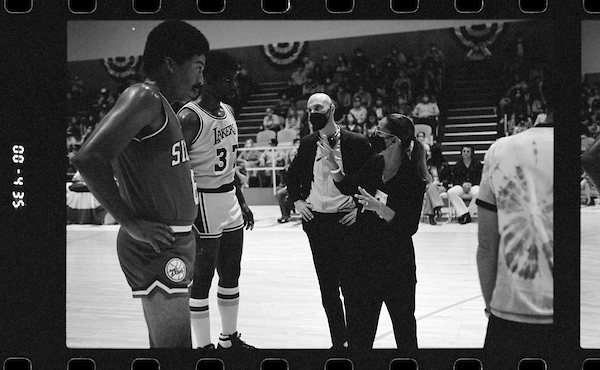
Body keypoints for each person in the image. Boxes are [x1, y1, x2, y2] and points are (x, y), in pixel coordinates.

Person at [71, 20, 209, 348]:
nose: (201, 80)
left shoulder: (164, 107)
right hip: (157, 247)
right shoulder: (144, 96)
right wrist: (130, 222)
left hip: (173, 242)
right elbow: (87, 158)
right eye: (198, 67)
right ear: (170, 63)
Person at [177, 51, 255, 350]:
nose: (234, 86)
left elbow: (231, 164)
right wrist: (187, 211)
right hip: (204, 202)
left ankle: (229, 339)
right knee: (202, 279)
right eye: (228, 80)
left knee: (231, 272)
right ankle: (203, 347)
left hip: (230, 200)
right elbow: (176, 170)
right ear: (208, 79)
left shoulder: (229, 110)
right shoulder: (189, 117)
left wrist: (243, 200)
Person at [476, 81, 554, 370]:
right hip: (577, 319)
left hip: (511, 311)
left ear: (539, 102)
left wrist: (491, 305)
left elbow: (486, 245)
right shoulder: (585, 151)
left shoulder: (501, 149)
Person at [286, 92, 372, 349]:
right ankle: (338, 341)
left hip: (346, 222)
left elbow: (370, 181)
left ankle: (356, 342)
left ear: (332, 109)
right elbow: (292, 176)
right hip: (317, 223)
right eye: (310, 108)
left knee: (351, 287)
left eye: (319, 107)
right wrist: (298, 201)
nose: (314, 111)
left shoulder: (356, 142)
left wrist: (360, 208)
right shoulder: (307, 143)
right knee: (328, 289)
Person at [347, 113, 429, 351]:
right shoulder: (375, 165)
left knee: (404, 333)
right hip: (366, 264)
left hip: (397, 266)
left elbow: (409, 226)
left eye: (380, 131)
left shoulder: (413, 177)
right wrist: (335, 170)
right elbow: (352, 188)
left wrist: (380, 208)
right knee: (361, 336)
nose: (374, 134)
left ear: (393, 140)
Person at [447, 144, 483, 224]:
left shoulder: (477, 164)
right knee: (451, 192)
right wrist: (462, 184)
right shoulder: (458, 165)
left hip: (473, 186)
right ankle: (464, 213)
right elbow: (454, 178)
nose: (466, 153)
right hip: (461, 186)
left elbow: (480, 177)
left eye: (468, 151)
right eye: (464, 151)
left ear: (471, 153)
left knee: (479, 193)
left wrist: (471, 184)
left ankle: (468, 214)